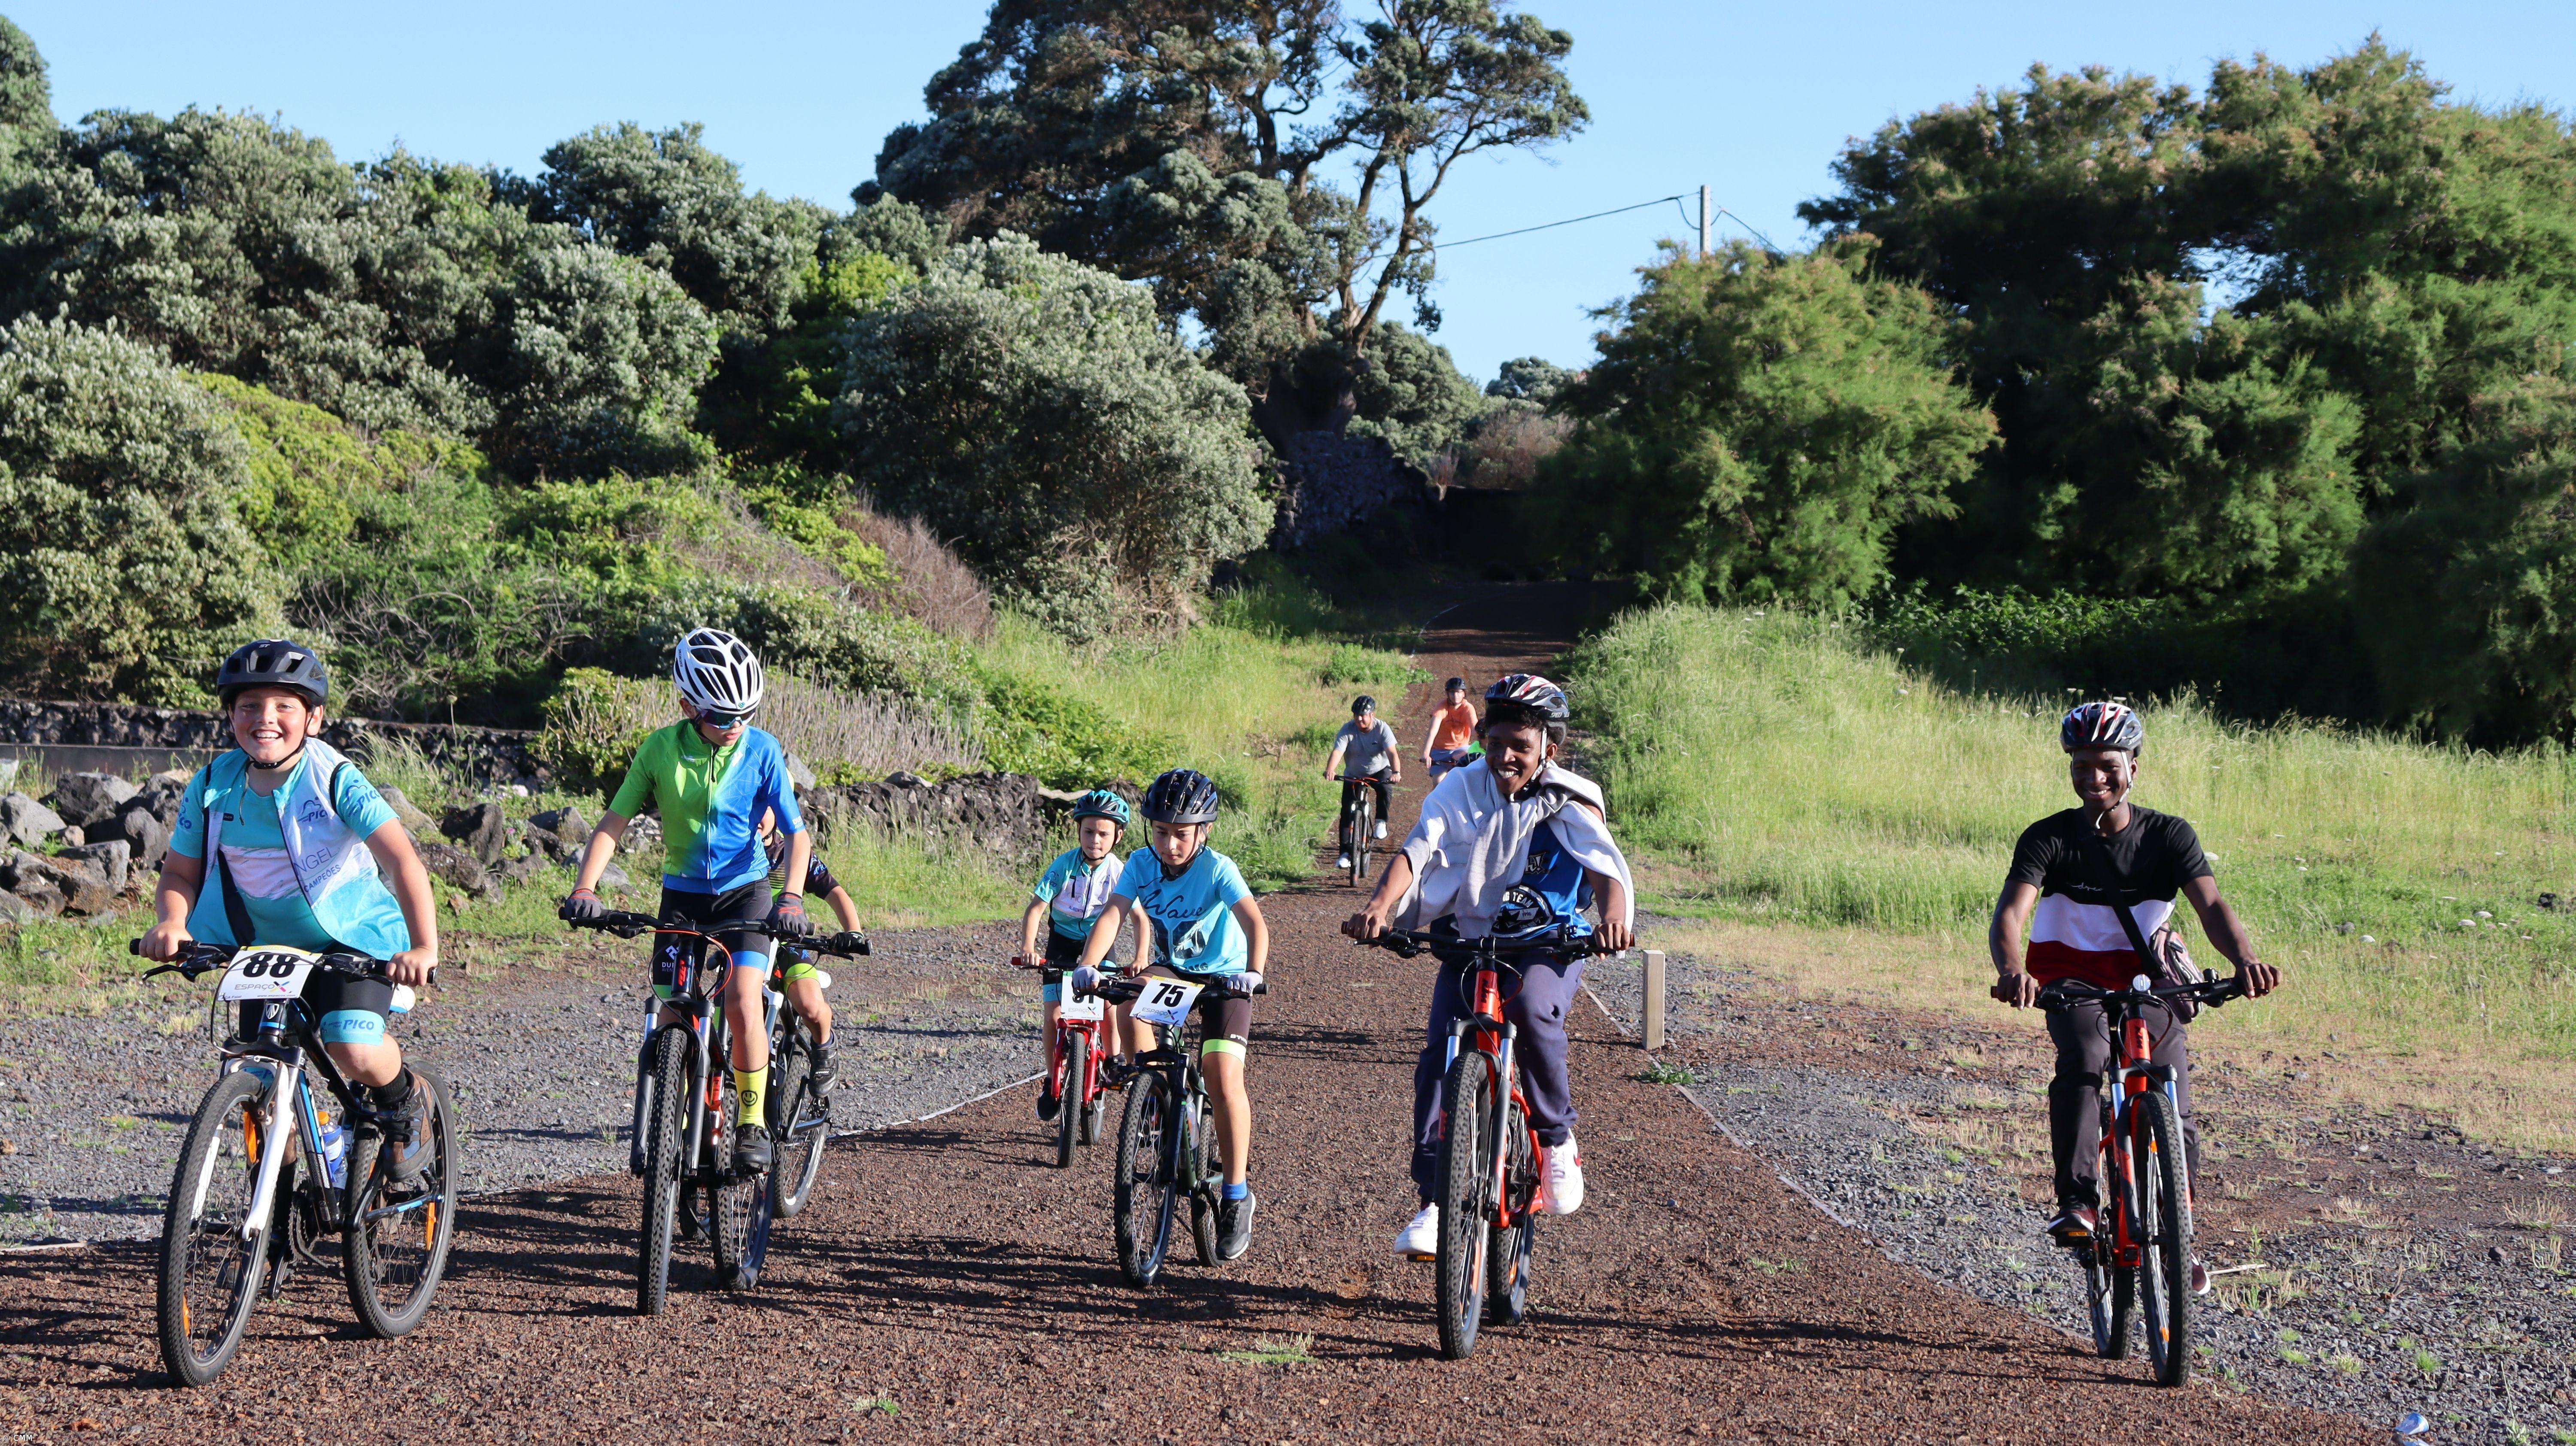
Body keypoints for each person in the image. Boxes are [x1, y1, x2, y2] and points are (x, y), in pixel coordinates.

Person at [1988, 700, 2280, 1292]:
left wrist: (2244, 960)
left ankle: (2177, 1236)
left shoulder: (2170, 836)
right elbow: (2012, 913)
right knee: (2086, 1060)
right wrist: (2013, 969)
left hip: (2148, 980)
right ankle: (2080, 1203)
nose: (2094, 776)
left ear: (2134, 768)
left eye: (2107, 764)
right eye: (2080, 765)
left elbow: (2214, 907)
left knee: (2172, 1099)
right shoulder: (2049, 837)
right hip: (2068, 981)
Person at [1343, 674, 1636, 1258]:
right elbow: (1419, 847)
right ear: (1482, 738)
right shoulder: (1462, 785)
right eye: (1496, 743)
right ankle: (1434, 1199)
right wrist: (1379, 907)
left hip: (1548, 940)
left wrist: (1613, 919)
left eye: (1520, 749)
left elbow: (1605, 868)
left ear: (1547, 750)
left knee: (1531, 1010)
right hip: (1472, 933)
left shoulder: (1570, 796)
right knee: (1440, 1055)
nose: (1505, 757)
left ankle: (1554, 1142)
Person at [140, 640, 443, 1178]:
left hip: (349, 939)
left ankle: (404, 1101)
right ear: (231, 715)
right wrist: (171, 921)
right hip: (264, 948)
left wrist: (423, 946)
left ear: (315, 717)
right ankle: (274, 1217)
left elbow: (402, 861)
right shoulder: (212, 784)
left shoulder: (335, 778)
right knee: (258, 1071)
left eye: (284, 706)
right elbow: (180, 873)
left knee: (351, 1045)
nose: (266, 719)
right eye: (250, 705)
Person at [561, 628, 813, 1175]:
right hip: (681, 898)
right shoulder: (659, 748)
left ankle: (750, 1121)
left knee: (744, 999)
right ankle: (678, 1117)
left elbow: (798, 836)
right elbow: (613, 823)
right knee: (673, 1009)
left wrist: (791, 897)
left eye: (744, 714)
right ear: (686, 706)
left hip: (746, 895)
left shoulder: (763, 750)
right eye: (722, 717)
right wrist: (586, 888)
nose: (734, 727)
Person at [1075, 769, 1271, 1260]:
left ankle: (1235, 1194)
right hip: (1175, 971)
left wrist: (1253, 970)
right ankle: (1156, 1098)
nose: (1169, 843)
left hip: (1226, 977)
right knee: (1126, 996)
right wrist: (1088, 965)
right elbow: (1114, 914)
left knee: (1222, 1077)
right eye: (1161, 831)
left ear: (1203, 831)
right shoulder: (1140, 863)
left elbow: (1254, 922)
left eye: (1181, 833)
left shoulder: (1219, 867)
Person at [1014, 788, 1133, 1121]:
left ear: (1118, 836)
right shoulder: (1064, 865)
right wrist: (1028, 949)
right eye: (1088, 831)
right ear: (1078, 831)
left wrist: (1139, 956)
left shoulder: (1120, 871)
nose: (1095, 839)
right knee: (1053, 1017)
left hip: (1099, 946)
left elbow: (1140, 918)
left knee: (1109, 1008)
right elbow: (1036, 909)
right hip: (1061, 945)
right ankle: (1052, 1082)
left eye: (1104, 833)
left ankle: (1112, 1060)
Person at [757, 806, 859, 1104]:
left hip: (788, 943)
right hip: (745, 941)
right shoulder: (732, 848)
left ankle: (825, 1046)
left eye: (764, 808)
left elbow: (834, 892)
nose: (756, 815)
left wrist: (854, 932)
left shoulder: (792, 852)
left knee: (811, 1007)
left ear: (779, 811)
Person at [1324, 695, 1402, 871]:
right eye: (1356, 715)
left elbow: (1392, 754)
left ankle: (1381, 821)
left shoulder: (1382, 728)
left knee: (1385, 788)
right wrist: (1331, 770)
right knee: (1346, 812)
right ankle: (1345, 854)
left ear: (1372, 715)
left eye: (1363, 715)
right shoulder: (1348, 730)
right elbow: (1338, 751)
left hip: (1379, 770)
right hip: (1354, 773)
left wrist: (1396, 773)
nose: (1359, 719)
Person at [1422, 677, 1479, 784]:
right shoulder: (1441, 707)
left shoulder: (1468, 708)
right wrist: (1426, 754)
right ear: (1447, 694)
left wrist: (1482, 749)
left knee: (1465, 781)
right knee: (1438, 783)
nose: (1456, 696)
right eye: (1452, 692)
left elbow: (1475, 730)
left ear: (1464, 694)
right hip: (1440, 750)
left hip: (1461, 748)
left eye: (1459, 692)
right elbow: (1432, 731)